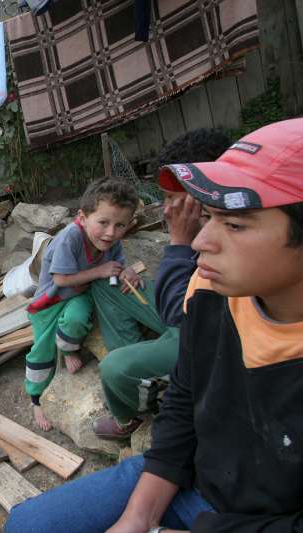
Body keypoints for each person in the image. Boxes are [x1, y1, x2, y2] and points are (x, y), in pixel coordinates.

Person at [6, 118, 303, 532]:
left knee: (117, 363)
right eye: (209, 216)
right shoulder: (214, 293)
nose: (199, 241)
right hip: (188, 480)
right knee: (27, 525)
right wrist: (137, 517)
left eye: (234, 224)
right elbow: (184, 400)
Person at [93, 128, 233, 440]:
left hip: (201, 335)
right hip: (188, 306)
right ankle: (140, 362)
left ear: (202, 191)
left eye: (172, 198)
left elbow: (180, 314)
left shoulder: (234, 225)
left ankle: (131, 413)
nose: (166, 208)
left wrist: (180, 241)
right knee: (109, 283)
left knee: (113, 368)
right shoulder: (209, 217)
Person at [25, 178, 147, 431]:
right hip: (51, 301)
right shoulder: (70, 237)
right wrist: (101, 270)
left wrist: (128, 273)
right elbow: (60, 279)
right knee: (42, 351)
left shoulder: (111, 242)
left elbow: (116, 268)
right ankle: (36, 399)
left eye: (120, 225)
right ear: (82, 217)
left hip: (79, 296)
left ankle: (69, 349)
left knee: (77, 319)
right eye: (103, 222)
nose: (111, 232)